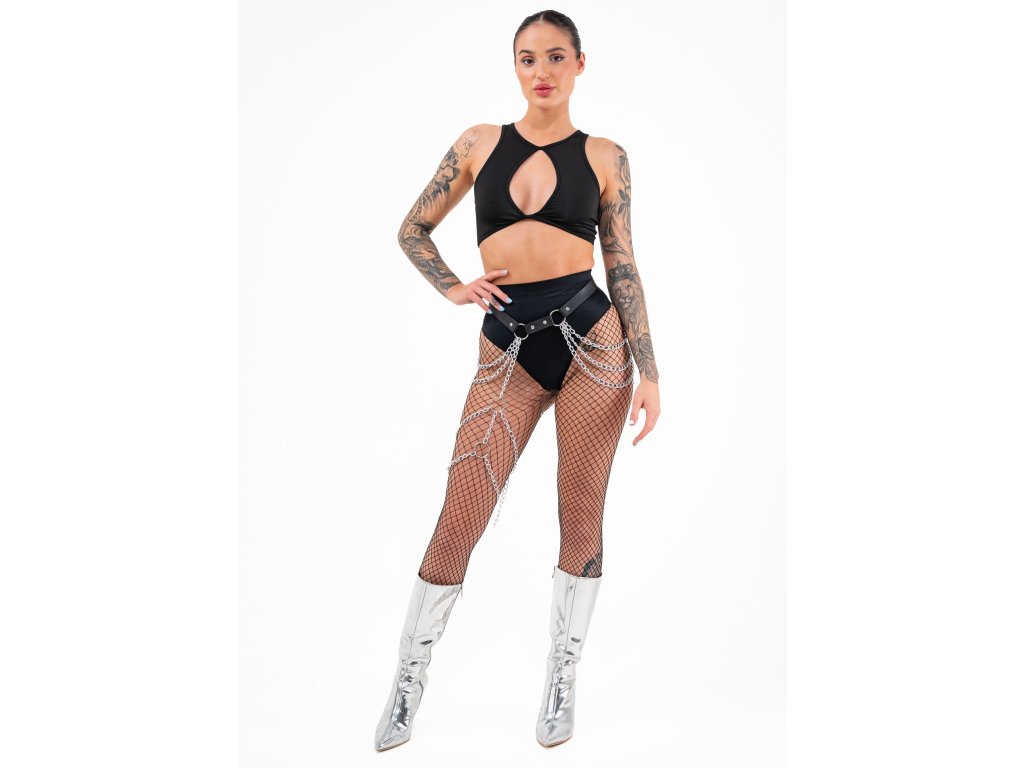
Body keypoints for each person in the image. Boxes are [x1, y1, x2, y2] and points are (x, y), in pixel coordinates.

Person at [374, 9, 661, 751]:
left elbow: (622, 263)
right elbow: (411, 228)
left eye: (557, 57)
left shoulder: (605, 155)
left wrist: (651, 371)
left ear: (579, 65)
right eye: (528, 58)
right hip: (508, 349)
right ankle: (408, 679)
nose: (542, 71)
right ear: (515, 66)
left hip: (595, 344)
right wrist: (454, 287)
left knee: (581, 515)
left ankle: (563, 676)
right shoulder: (479, 143)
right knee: (460, 513)